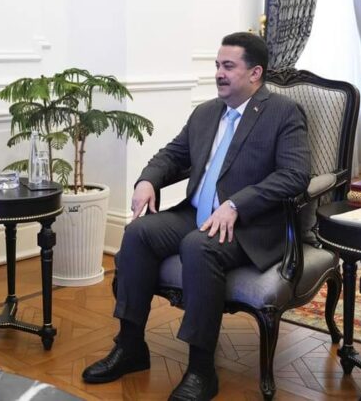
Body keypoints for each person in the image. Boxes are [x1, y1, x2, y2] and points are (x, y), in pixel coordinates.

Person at [82, 32, 311, 400]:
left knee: (198, 247)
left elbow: (295, 175)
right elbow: (172, 155)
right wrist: (147, 181)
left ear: (255, 73)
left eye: (228, 66)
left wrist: (237, 205)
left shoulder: (283, 113)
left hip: (248, 224)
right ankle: (130, 346)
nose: (219, 73)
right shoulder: (206, 113)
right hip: (197, 213)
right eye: (217, 65)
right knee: (138, 233)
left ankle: (201, 370)